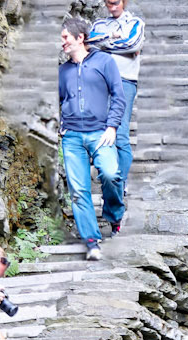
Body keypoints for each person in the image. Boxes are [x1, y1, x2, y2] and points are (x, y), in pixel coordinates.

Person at [58, 16, 125, 260]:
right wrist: (60, 126)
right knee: (78, 190)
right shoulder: (62, 71)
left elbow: (119, 96)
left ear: (80, 38)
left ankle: (114, 216)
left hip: (101, 133)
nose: (62, 42)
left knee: (110, 174)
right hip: (72, 137)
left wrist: (112, 126)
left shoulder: (104, 61)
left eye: (66, 37)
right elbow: (57, 101)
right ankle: (91, 240)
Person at [87, 0, 143, 206]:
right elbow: (88, 44)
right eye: (108, 3)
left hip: (125, 81)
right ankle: (110, 180)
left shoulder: (135, 23)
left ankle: (120, 183)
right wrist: (113, 37)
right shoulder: (99, 25)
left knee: (120, 134)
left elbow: (133, 44)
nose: (112, 7)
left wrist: (104, 47)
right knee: (101, 133)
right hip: (101, 82)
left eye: (116, 3)